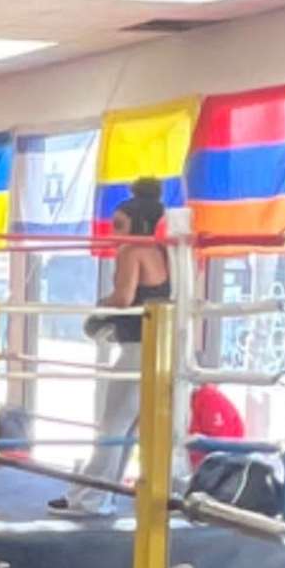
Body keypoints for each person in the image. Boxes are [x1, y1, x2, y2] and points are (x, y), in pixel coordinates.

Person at [90, 174, 181, 454]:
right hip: (162, 346)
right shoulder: (165, 252)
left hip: (136, 347)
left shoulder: (132, 251)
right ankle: (105, 483)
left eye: (119, 226)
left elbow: (123, 298)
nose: (113, 234)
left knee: (113, 424)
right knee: (132, 424)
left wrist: (99, 309)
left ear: (138, 224)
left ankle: (96, 484)